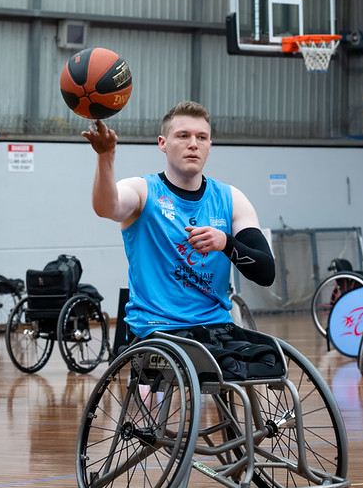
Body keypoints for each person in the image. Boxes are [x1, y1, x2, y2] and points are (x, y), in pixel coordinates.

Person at [83, 101, 275, 367]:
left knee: (269, 358)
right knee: (209, 363)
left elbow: (266, 273)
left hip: (216, 328)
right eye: (183, 136)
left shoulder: (232, 199)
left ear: (210, 145)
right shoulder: (142, 190)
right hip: (158, 329)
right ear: (163, 143)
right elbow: (106, 207)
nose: (193, 144)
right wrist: (106, 156)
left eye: (201, 137)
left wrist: (226, 242)